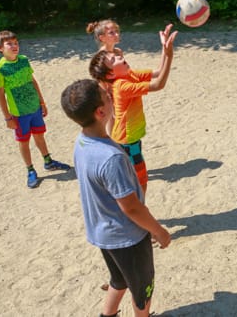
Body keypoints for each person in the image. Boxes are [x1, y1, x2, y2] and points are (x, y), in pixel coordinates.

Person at [60, 79, 171, 317]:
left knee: (118, 279)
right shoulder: (111, 158)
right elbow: (131, 207)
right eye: (106, 95)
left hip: (102, 232)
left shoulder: (82, 142)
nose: (111, 94)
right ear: (101, 112)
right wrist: (158, 231)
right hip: (127, 237)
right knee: (143, 288)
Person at [89, 23, 177, 195]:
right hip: (127, 140)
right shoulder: (121, 85)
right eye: (115, 60)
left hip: (129, 137)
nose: (120, 57)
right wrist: (170, 55)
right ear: (111, 74)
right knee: (140, 179)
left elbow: (158, 73)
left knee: (134, 178)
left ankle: (135, 209)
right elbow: (158, 85)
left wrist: (165, 50)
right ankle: (138, 211)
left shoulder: (129, 74)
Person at [0, 30, 70, 188]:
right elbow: (0, 95)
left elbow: (33, 81)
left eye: (16, 43)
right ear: (0, 48)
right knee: (24, 141)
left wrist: (42, 102)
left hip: (34, 108)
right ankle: (30, 170)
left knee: (40, 136)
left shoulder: (24, 60)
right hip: (19, 114)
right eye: (9, 44)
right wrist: (7, 117)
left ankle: (48, 161)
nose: (14, 46)